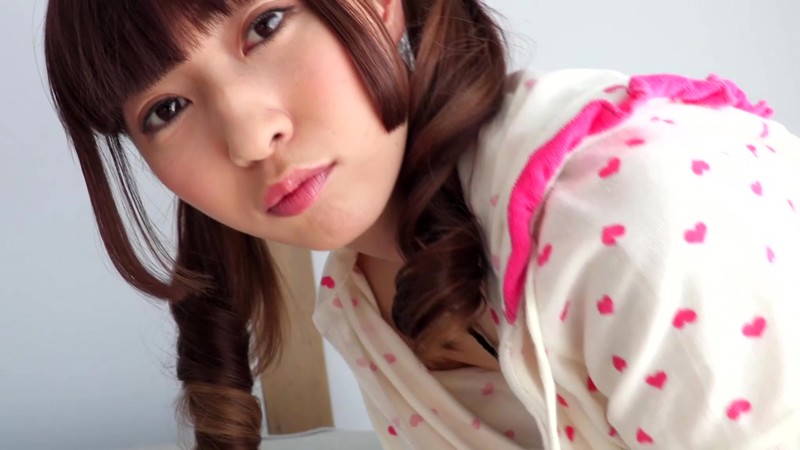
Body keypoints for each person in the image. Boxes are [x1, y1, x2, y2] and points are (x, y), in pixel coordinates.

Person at [43, 0, 800, 448]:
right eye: (166, 110)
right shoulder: (356, 302)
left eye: (265, 25)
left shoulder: (634, 211)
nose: (247, 137)